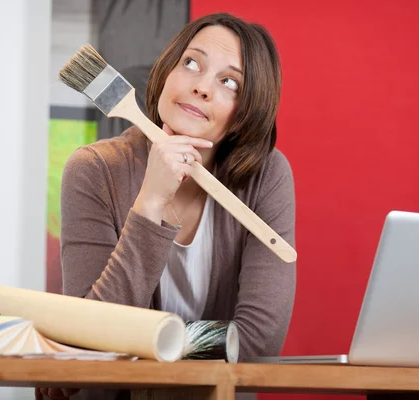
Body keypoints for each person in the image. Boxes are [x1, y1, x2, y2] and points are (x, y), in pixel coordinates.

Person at [37, 12, 296, 400]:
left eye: (229, 83)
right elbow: (89, 340)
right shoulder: (93, 170)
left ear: (244, 116)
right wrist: (150, 201)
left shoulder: (266, 175)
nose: (201, 87)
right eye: (191, 63)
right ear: (166, 73)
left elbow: (259, 343)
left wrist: (151, 346)